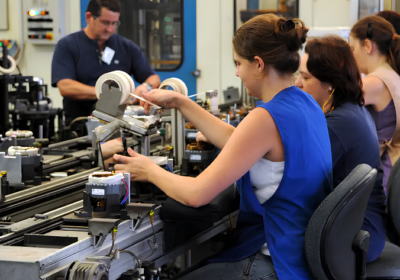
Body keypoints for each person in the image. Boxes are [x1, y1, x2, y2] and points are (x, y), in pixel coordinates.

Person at [113, 14, 333, 279]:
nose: (237, 72)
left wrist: (149, 170)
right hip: (304, 255)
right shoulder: (306, 103)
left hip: (276, 260)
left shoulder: (265, 118)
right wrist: (182, 103)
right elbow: (238, 140)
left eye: (239, 63)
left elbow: (196, 194)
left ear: (259, 65)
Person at [295, 35, 386, 262]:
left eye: (305, 77)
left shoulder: (338, 124)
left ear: (330, 84)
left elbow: (297, 177)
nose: (297, 83)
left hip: (353, 236)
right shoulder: (352, 110)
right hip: (361, 228)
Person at [51, 0, 160, 126]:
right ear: (89, 17)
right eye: (105, 23)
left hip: (120, 125)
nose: (110, 29)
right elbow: (65, 86)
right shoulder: (68, 45)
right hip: (79, 125)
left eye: (114, 23)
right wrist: (106, 94)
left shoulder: (126, 47)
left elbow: (153, 78)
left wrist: (146, 86)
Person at [349, 15, 400, 191]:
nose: (352, 55)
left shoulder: (374, 82)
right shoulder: (392, 75)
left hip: (382, 178)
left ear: (368, 46)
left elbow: (334, 103)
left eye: (352, 48)